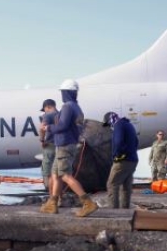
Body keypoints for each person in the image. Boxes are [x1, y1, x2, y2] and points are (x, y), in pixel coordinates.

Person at [39, 79, 98, 217]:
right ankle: (52, 204)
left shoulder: (67, 106)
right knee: (56, 174)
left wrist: (48, 127)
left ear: (66, 93)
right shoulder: (77, 107)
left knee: (65, 175)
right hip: (67, 144)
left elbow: (63, 126)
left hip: (64, 145)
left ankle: (88, 203)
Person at [103, 112, 139, 209]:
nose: (110, 126)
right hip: (133, 160)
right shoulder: (128, 124)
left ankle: (114, 211)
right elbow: (136, 141)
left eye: (108, 124)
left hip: (122, 161)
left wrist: (116, 155)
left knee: (112, 184)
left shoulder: (118, 125)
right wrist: (130, 152)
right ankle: (125, 210)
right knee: (126, 186)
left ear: (111, 119)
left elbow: (118, 142)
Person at [39, 98, 59, 195]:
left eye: (45, 109)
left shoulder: (48, 115)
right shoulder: (62, 115)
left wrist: (42, 140)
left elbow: (42, 128)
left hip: (50, 146)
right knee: (57, 173)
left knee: (47, 172)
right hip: (60, 146)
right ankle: (58, 196)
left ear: (48, 107)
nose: (45, 112)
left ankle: (51, 196)